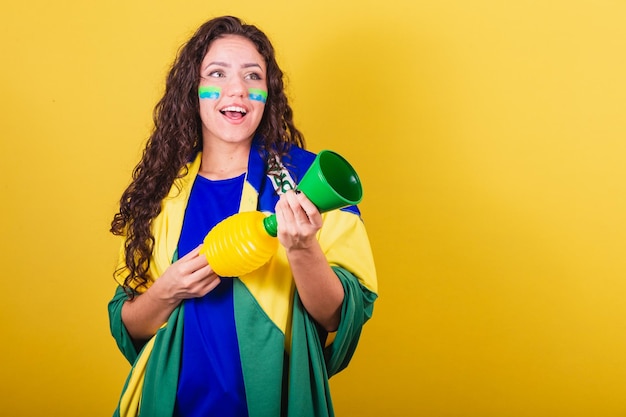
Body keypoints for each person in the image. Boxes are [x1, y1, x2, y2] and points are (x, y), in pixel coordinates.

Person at [107, 15, 378, 417]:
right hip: (172, 404)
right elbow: (128, 325)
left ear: (267, 93)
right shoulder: (163, 191)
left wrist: (303, 249)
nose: (237, 89)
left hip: (275, 403)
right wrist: (170, 289)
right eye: (217, 73)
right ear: (193, 90)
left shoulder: (307, 181)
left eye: (253, 76)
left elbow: (342, 316)